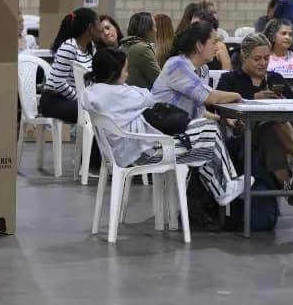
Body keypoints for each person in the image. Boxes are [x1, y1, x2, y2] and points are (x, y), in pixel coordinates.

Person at [80, 48, 247, 206]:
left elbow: (143, 95)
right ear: (113, 73)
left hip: (128, 150)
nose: (127, 74)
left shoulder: (94, 92)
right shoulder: (116, 94)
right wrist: (137, 92)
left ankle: (224, 186)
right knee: (209, 131)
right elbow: (148, 97)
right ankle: (225, 187)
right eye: (125, 70)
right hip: (144, 152)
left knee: (203, 133)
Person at [217, 33, 293, 204]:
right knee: (269, 126)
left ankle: (287, 185)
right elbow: (217, 108)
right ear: (244, 56)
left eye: (266, 58)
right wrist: (253, 99)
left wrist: (282, 102)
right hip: (244, 136)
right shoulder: (230, 80)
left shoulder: (275, 78)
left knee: (270, 128)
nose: (263, 63)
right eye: (257, 59)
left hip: (277, 133)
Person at [151, 22, 242, 121]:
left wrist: (222, 120)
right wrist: (236, 95)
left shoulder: (203, 69)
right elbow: (209, 97)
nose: (217, 48)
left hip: (180, 126)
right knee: (211, 132)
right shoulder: (177, 65)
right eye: (214, 42)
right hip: (161, 128)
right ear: (199, 45)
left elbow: (198, 111)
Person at [40, 8, 101, 124]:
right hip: (54, 100)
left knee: (104, 108)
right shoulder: (69, 47)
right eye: (99, 24)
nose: (101, 29)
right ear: (90, 27)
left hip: (72, 99)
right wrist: (81, 100)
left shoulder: (91, 47)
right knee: (94, 112)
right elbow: (59, 84)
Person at [120, 12, 161, 90]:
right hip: (142, 99)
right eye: (155, 26)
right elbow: (159, 80)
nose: (156, 30)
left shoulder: (123, 46)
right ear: (147, 29)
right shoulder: (143, 49)